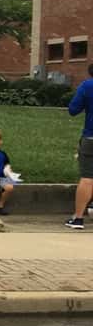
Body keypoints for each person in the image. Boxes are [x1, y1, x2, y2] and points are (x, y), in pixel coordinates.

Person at [65, 63, 93, 230]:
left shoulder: (87, 85)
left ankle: (78, 218)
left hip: (91, 136)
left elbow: (73, 109)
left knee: (88, 177)